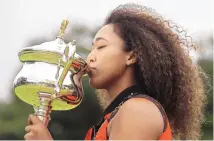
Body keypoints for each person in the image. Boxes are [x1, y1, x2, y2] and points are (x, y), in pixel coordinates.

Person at [24, 3, 207, 140]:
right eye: (92, 49)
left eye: (101, 47)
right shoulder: (119, 113)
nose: (90, 58)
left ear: (131, 56)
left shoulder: (137, 110)